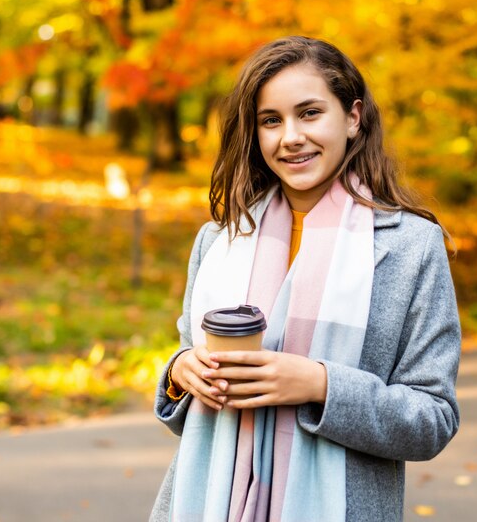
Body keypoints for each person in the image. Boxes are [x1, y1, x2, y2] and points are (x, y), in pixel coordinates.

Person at [150, 36, 461, 521]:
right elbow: (191, 407)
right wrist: (180, 372)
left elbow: (432, 420)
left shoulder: (410, 247)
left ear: (353, 118)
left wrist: (320, 385)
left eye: (310, 113)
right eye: (271, 120)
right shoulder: (221, 240)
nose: (290, 136)